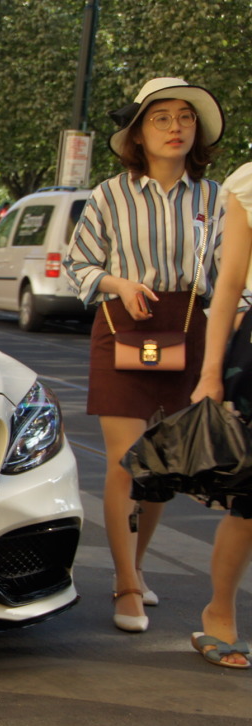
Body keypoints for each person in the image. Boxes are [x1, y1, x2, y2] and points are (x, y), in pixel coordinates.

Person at [65, 77, 224, 633]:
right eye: (162, 117)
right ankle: (126, 584)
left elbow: (232, 276)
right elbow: (79, 265)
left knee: (164, 466)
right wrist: (118, 283)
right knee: (125, 461)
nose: (176, 126)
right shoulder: (110, 195)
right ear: (138, 132)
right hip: (123, 322)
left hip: (190, 325)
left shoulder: (214, 197)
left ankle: (137, 566)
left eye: (185, 117)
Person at [186, 160, 252, 668]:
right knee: (250, 502)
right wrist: (210, 372)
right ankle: (220, 609)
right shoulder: (248, 184)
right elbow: (228, 286)